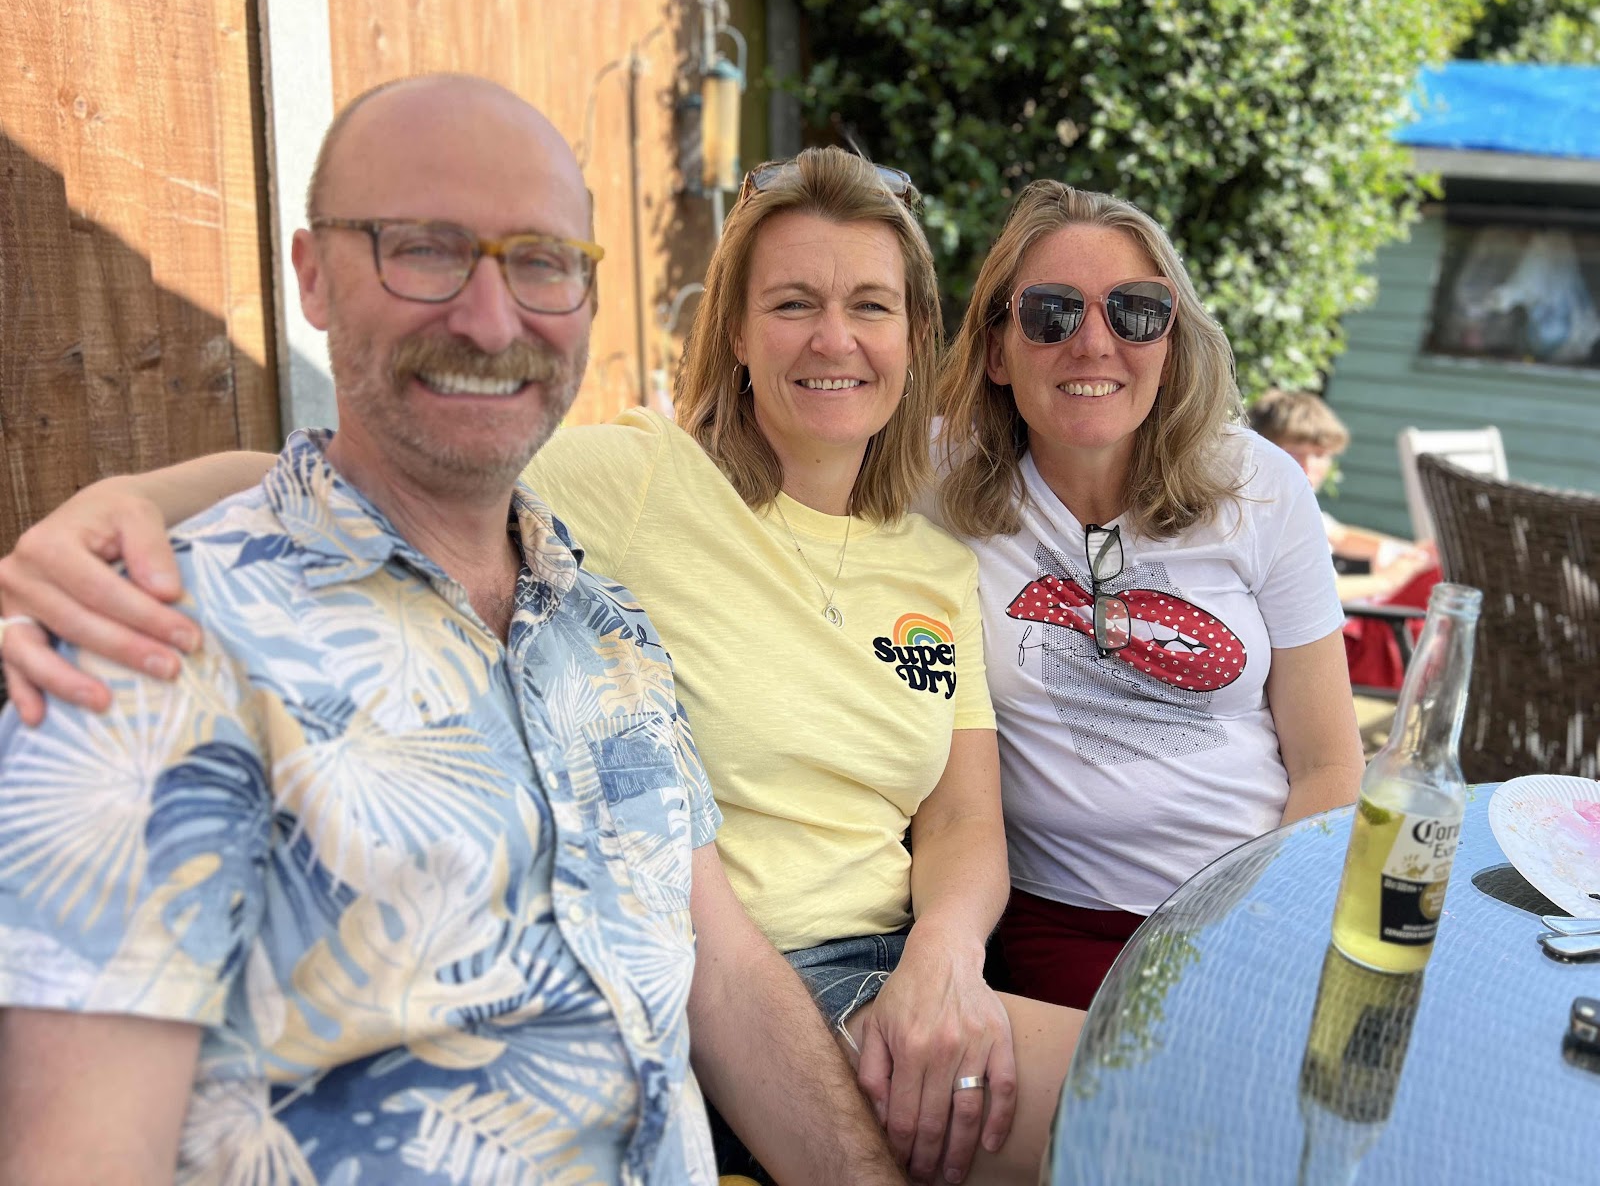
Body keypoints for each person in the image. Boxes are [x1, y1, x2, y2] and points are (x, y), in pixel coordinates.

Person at [0, 148, 1085, 1182]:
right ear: (737, 335)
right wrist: (122, 504)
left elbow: (960, 817)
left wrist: (945, 956)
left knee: (1151, 1084)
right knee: (1129, 1111)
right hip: (741, 983)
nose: (833, 339)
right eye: (793, 303)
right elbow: (370, 478)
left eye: (871, 306)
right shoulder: (642, 479)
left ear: (916, 336)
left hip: (910, 968)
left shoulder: (935, 564)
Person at [934, 182, 1367, 1011]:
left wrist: (1273, 922)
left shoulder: (1260, 486)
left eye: (1136, 311)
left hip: (1266, 897)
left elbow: (1328, 763)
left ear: (1170, 342)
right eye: (1051, 313)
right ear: (996, 352)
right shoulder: (937, 486)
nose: (1094, 343)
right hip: (1064, 920)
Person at [1245, 389, 1434, 603]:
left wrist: (1410, 552)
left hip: (1346, 614)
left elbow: (1341, 536)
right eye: (1294, 453)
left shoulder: (1296, 506)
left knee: (1432, 574)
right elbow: (1309, 591)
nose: (1308, 466)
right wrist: (1386, 579)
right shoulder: (1265, 514)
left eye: (1319, 454)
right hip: (1329, 621)